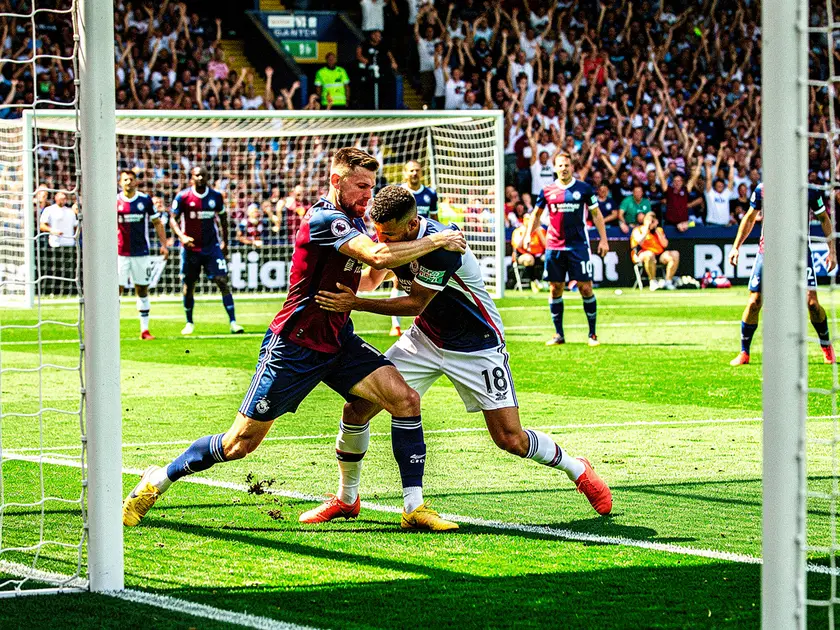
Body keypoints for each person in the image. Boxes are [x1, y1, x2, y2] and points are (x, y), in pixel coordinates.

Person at [122, 148, 467, 532]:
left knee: (405, 400)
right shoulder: (325, 219)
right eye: (361, 186)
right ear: (337, 181)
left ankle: (413, 507)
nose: (368, 195)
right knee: (239, 444)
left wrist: (405, 270)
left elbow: (372, 273)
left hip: (338, 340)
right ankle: (158, 480)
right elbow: (379, 255)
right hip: (294, 346)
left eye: (372, 186)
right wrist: (438, 241)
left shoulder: (355, 220)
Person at [311, 185, 612, 522]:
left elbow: (414, 303)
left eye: (390, 235)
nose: (383, 242)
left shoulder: (443, 247)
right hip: (425, 339)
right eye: (379, 234)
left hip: (477, 345)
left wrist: (355, 305)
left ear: (411, 227)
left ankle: (577, 468)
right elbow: (369, 280)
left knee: (510, 438)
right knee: (356, 410)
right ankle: (347, 498)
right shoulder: (391, 239)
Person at [729, 182, 836, 366]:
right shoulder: (763, 189)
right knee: (754, 302)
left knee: (812, 304)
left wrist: (832, 251)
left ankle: (826, 347)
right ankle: (744, 352)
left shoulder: (810, 191)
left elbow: (825, 219)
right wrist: (736, 247)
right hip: (768, 252)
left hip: (799, 252)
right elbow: (749, 218)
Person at [525, 152, 609, 347]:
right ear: (555, 168)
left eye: (567, 165)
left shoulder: (584, 189)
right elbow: (536, 215)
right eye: (560, 165)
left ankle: (592, 334)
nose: (564, 168)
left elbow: (596, 215)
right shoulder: (547, 191)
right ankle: (558, 334)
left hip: (578, 245)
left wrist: (603, 240)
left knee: (585, 287)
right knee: (555, 289)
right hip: (554, 246)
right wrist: (529, 235)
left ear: (572, 167)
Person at [169, 166, 244, 335]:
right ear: (191, 178)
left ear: (208, 177)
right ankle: (189, 322)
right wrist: (181, 236)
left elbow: (224, 220)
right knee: (189, 285)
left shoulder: (215, 196)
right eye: (197, 175)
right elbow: (172, 219)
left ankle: (233, 322)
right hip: (190, 249)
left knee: (222, 281)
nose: (200, 177)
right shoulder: (183, 197)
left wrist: (225, 242)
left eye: (203, 175)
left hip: (211, 248)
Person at [116, 170, 168, 339]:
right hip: (119, 253)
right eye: (125, 180)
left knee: (142, 289)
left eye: (131, 179)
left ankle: (144, 330)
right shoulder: (115, 201)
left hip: (141, 253)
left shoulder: (144, 200)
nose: (128, 182)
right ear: (120, 182)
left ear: (136, 182)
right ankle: (111, 329)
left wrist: (164, 245)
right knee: (116, 290)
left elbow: (157, 222)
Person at [393, 159, 439, 336]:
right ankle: (395, 325)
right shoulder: (399, 193)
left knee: (426, 284)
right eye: (411, 170)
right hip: (403, 244)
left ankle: (428, 325)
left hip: (425, 245)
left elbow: (435, 219)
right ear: (405, 173)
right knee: (398, 281)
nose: (414, 173)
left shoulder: (430, 194)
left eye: (417, 170)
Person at [38, 191, 78, 296]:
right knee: (54, 269)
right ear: (56, 198)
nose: (63, 200)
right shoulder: (49, 210)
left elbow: (76, 226)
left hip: (69, 244)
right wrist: (52, 231)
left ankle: (68, 292)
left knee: (69, 270)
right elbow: (42, 225)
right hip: (55, 244)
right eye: (61, 198)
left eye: (64, 198)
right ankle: (52, 292)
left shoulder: (70, 212)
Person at [630, 212, 680, 291]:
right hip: (642, 254)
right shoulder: (638, 230)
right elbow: (640, 242)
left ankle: (668, 281)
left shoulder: (659, 230)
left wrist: (656, 230)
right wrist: (647, 228)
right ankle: (652, 281)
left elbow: (665, 244)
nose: (651, 223)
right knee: (649, 255)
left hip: (659, 254)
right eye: (650, 221)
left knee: (675, 254)